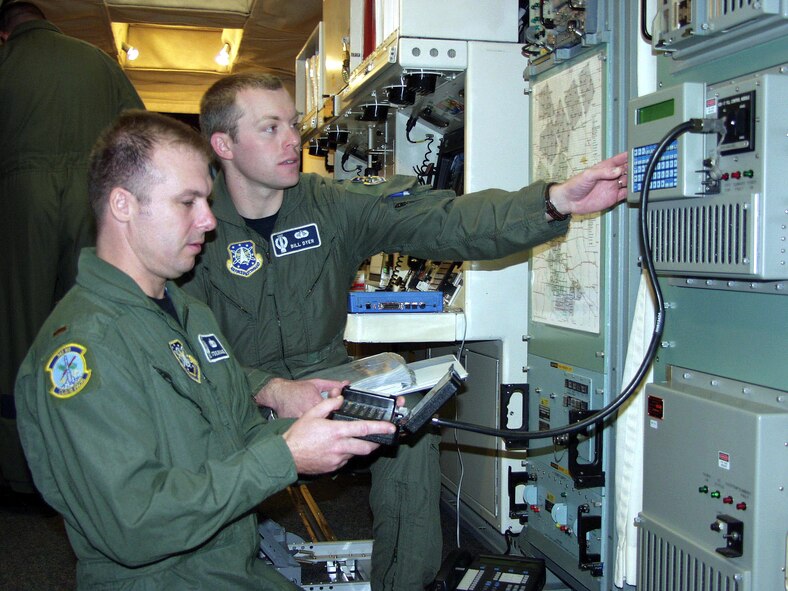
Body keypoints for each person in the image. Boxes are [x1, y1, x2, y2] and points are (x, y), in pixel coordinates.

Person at [181, 72, 629, 590]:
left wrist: (551, 202)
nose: (291, 140)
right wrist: (267, 388)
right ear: (224, 145)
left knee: (407, 429)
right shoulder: (192, 228)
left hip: (323, 381)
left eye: (293, 124)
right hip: (228, 395)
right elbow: (183, 350)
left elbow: (443, 220)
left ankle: (404, 584)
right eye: (270, 127)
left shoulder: (331, 207)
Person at [14, 110, 396, 590]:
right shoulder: (85, 349)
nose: (209, 221)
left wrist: (329, 432)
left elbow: (232, 439)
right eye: (187, 202)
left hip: (233, 564)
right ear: (123, 205)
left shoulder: (188, 315)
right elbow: (133, 526)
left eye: (208, 201)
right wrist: (286, 456)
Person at [0, 0, 145, 495]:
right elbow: (138, 132)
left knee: (18, 332)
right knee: (83, 326)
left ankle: (20, 471)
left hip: (20, 197)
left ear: (5, 32)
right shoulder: (98, 61)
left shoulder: (7, 63)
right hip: (90, 198)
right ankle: (86, 462)